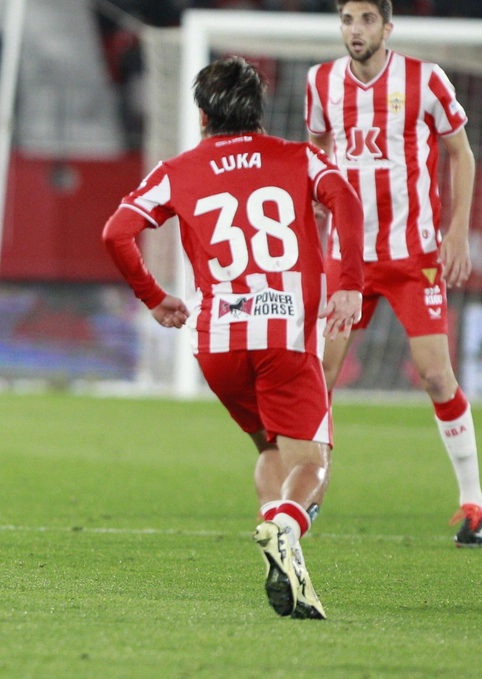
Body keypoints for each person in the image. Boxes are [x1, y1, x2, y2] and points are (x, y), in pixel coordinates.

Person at [102, 56, 365, 619]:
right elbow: (345, 197)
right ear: (259, 111)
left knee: (271, 447)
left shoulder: (177, 170)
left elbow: (117, 232)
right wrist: (350, 284)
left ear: (201, 116)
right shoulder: (299, 157)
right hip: (286, 337)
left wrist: (153, 297)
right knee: (313, 463)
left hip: (218, 342)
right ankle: (286, 534)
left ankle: (283, 556)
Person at [304, 0, 482, 546]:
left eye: (365, 20)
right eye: (347, 20)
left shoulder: (425, 79)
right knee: (320, 375)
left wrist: (456, 232)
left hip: (414, 256)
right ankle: (308, 494)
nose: (355, 30)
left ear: (386, 28)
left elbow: (461, 153)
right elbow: (314, 155)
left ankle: (474, 502)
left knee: (434, 374)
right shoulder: (320, 83)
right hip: (347, 259)